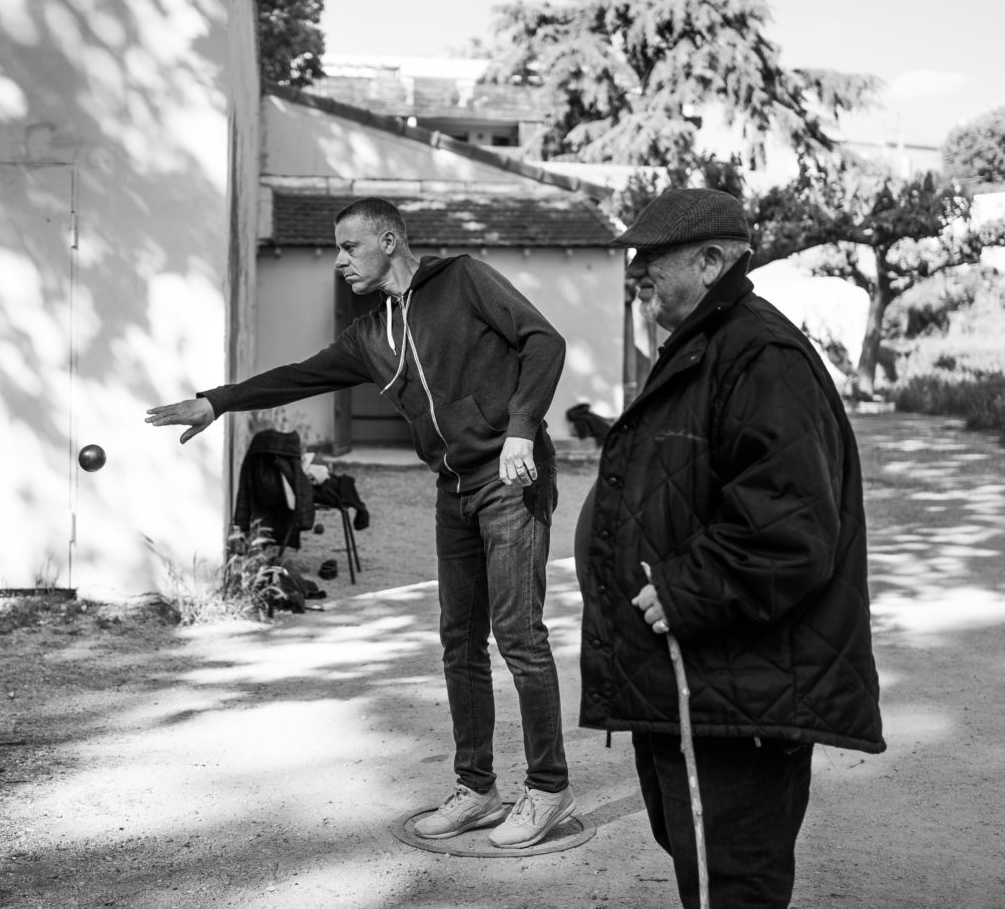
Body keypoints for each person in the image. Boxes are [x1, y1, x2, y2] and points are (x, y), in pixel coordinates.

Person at [146, 197, 576, 849]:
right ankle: (478, 789)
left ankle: (547, 787)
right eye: (336, 249)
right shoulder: (371, 336)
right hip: (454, 488)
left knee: (518, 634)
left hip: (510, 479)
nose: (339, 261)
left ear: (389, 239)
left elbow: (545, 341)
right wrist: (218, 401)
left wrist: (521, 427)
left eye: (349, 246)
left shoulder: (464, 280)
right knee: (459, 641)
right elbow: (300, 376)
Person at [577, 187, 885, 907]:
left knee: (730, 884)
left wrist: (685, 589)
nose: (636, 270)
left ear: (711, 261)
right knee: (703, 868)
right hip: (700, 685)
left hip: (735, 695)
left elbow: (790, 527)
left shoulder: (759, 354)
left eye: (651, 256)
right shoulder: (709, 343)